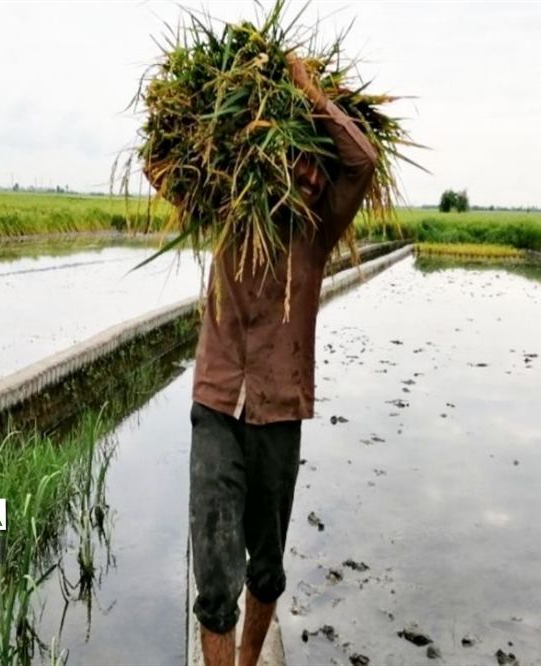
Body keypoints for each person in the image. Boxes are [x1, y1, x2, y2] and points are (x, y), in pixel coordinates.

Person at [188, 53, 379, 666]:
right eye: (294, 164)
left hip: (278, 411)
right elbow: (163, 166)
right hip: (217, 403)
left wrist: (309, 92)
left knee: (264, 568)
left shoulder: (317, 232)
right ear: (267, 165)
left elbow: (363, 160)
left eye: (315, 168)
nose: (308, 177)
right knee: (215, 578)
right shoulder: (229, 213)